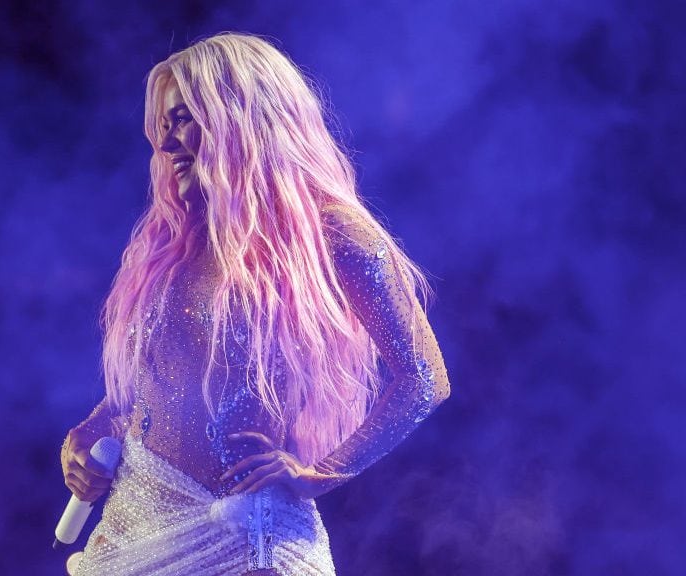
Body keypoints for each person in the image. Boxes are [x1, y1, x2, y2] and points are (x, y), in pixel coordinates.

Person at [60, 32, 451, 575]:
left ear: (238, 117)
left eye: (182, 120)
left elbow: (424, 378)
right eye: (162, 127)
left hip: (247, 541)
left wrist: (324, 472)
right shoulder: (174, 239)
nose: (167, 144)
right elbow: (159, 378)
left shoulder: (332, 231)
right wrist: (91, 430)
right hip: (134, 527)